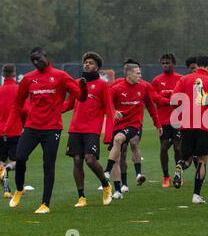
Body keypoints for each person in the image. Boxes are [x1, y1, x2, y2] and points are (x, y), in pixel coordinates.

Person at [2, 47, 88, 214]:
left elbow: (81, 97)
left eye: (38, 58)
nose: (36, 62)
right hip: (32, 127)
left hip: (52, 129)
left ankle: (45, 204)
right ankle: (19, 189)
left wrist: (83, 88)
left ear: (45, 57)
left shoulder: (60, 76)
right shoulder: (28, 79)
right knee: (19, 157)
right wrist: (7, 126)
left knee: (48, 165)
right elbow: (17, 104)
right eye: (33, 60)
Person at [104, 60, 162, 199]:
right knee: (117, 156)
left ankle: (107, 170)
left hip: (133, 125)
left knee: (120, 140)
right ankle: (117, 190)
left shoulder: (143, 87)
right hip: (117, 125)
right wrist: (112, 111)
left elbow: (151, 107)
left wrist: (157, 124)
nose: (140, 75)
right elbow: (107, 105)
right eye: (137, 73)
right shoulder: (116, 89)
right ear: (129, 73)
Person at [62, 52, 113, 208]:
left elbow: (109, 110)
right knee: (77, 160)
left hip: (92, 129)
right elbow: (69, 104)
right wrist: (52, 110)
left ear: (97, 66)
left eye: (90, 63)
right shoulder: (77, 83)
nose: (87, 65)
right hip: (75, 128)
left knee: (90, 159)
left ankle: (106, 185)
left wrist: (108, 136)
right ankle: (81, 197)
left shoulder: (103, 85)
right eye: (85, 62)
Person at [170, 55, 208, 204]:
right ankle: (196, 195)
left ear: (196, 65)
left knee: (187, 158)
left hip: (187, 124)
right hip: (204, 125)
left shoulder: (184, 79)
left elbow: (173, 100)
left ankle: (180, 166)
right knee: (202, 160)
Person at [151, 53, 183, 188]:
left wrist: (167, 97)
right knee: (164, 147)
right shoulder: (157, 80)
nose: (165, 65)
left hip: (178, 119)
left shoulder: (181, 79)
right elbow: (154, 98)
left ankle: (178, 175)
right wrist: (169, 98)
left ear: (173, 63)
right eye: (163, 63)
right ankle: (166, 177)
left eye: (168, 63)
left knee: (178, 148)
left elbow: (183, 98)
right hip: (163, 119)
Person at [0, 64, 23, 199]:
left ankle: (7, 190)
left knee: (1, 161)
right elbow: (25, 110)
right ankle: (8, 170)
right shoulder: (18, 89)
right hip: (14, 130)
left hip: (0, 130)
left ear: (3, 75)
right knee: (16, 161)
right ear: (14, 73)